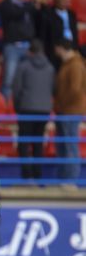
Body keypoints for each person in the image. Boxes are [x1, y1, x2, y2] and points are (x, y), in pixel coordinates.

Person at [11, 40, 54, 181]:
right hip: (44, 110)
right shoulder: (50, 68)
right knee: (38, 142)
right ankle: (38, 175)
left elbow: (16, 89)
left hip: (26, 108)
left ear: (30, 51)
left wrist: (18, 107)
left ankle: (26, 176)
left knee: (24, 142)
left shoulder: (23, 66)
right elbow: (53, 89)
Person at [0, 0, 40, 99]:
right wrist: (31, 5)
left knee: (28, 78)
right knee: (9, 79)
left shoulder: (26, 5)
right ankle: (5, 106)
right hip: (12, 46)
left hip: (27, 46)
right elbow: (15, 14)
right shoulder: (6, 4)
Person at [54, 39, 86, 183]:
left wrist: (61, 104)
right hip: (66, 111)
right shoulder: (69, 64)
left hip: (70, 111)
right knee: (64, 145)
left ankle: (70, 180)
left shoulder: (75, 65)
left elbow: (75, 89)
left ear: (61, 48)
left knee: (70, 146)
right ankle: (64, 179)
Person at [43, 0, 80, 70]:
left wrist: (75, 47)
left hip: (71, 47)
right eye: (64, 0)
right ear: (57, 0)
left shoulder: (71, 14)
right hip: (55, 50)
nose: (67, 3)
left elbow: (75, 31)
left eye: (68, 0)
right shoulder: (48, 14)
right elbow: (45, 34)